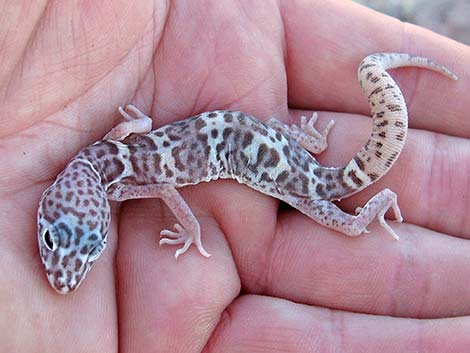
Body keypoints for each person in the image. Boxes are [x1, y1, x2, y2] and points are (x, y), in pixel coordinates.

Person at [1, 1, 469, 351]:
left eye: (63, 245)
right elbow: (132, 130)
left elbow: (164, 184)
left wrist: (190, 229)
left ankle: (379, 197)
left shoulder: (112, 175)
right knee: (310, 167)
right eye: (80, 249)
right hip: (258, 139)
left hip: (299, 178)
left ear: (54, 203)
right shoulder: (102, 154)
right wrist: (143, 125)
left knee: (347, 225)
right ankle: (352, 96)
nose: (68, 272)